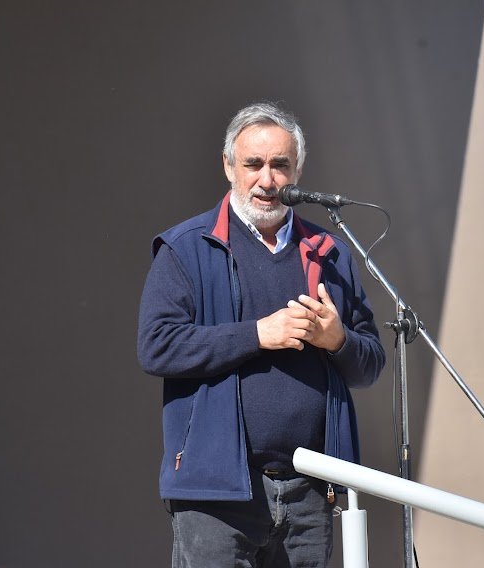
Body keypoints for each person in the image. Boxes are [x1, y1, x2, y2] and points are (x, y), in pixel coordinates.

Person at [137, 101, 386, 567]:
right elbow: (157, 347)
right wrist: (258, 334)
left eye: (280, 165)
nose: (267, 180)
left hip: (311, 490)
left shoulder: (328, 252)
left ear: (298, 170)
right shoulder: (187, 248)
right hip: (217, 492)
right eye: (253, 164)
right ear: (228, 166)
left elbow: (370, 362)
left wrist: (338, 341)